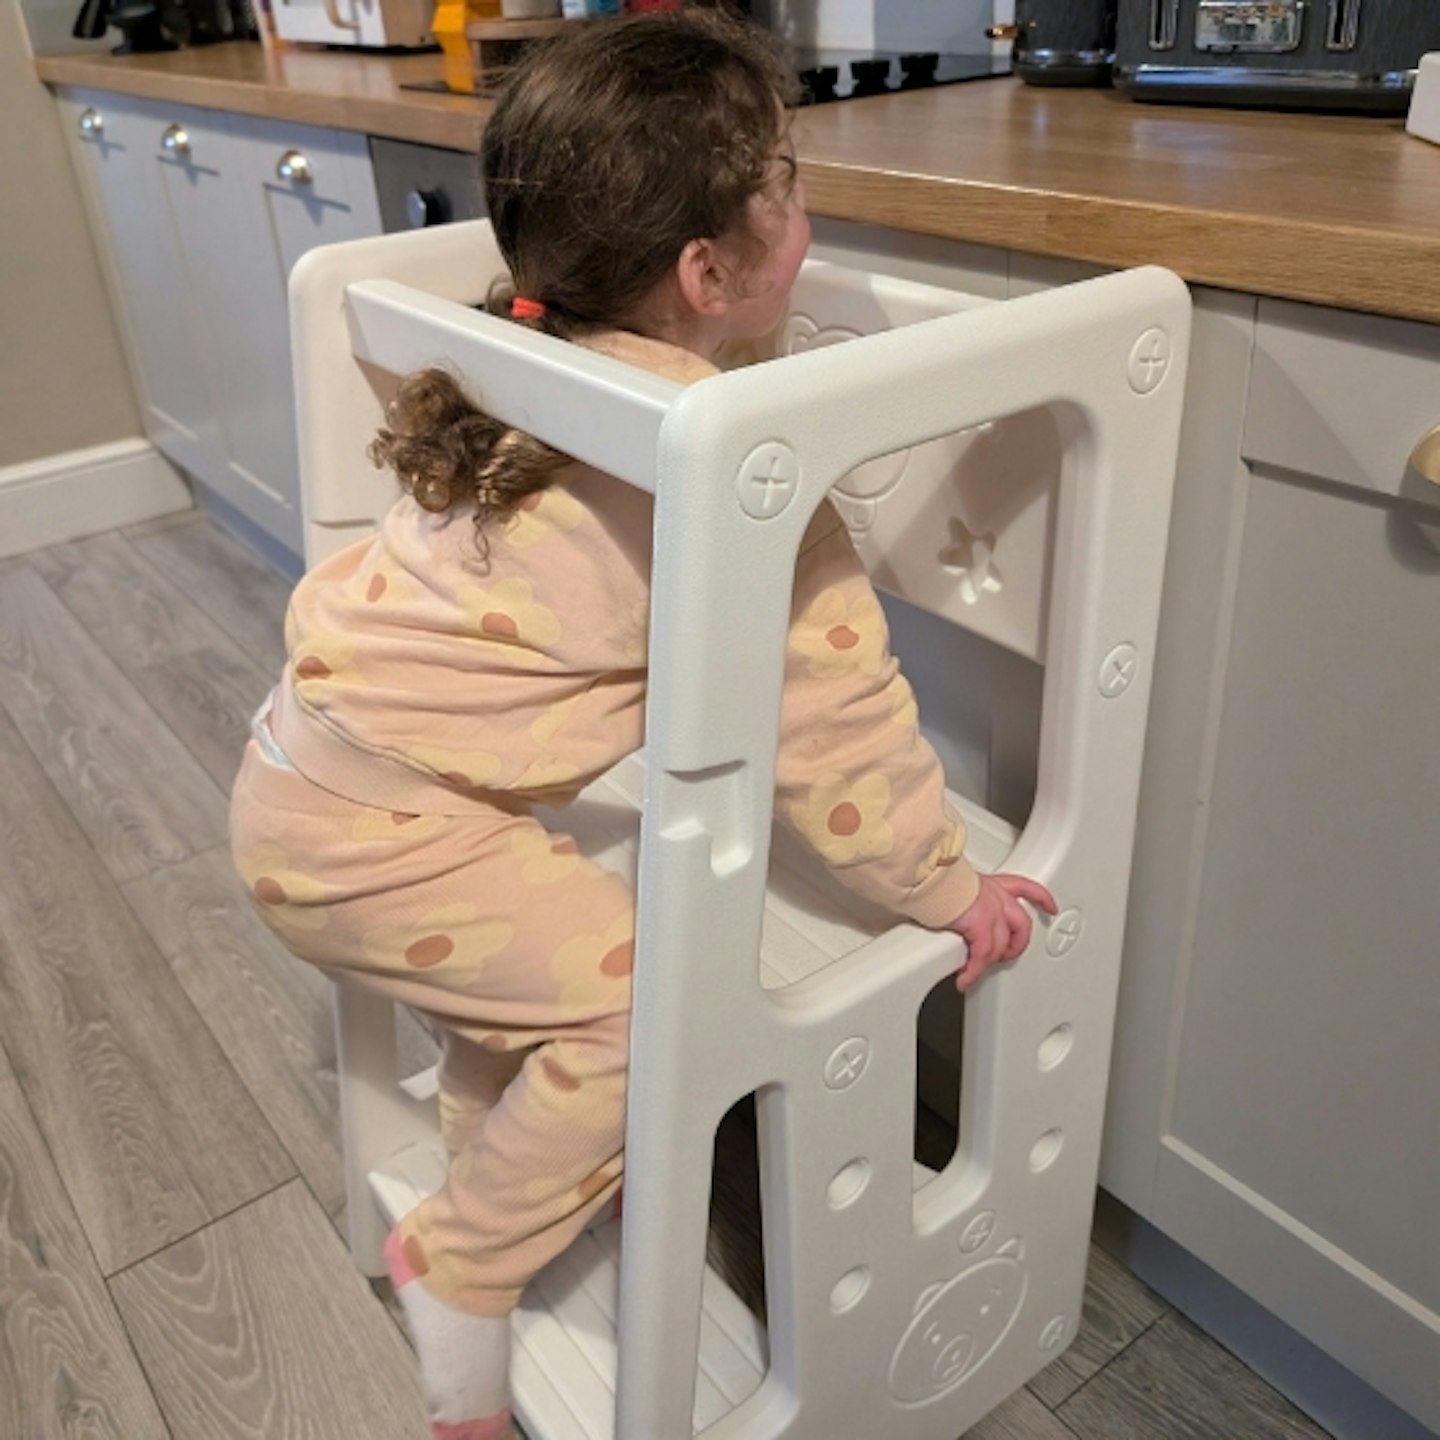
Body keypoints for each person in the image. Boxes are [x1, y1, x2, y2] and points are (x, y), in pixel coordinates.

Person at [229, 12, 1056, 1439]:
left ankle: (474, 1251)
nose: (806, 202)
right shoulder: (742, 467)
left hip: (307, 777)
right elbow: (840, 741)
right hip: (383, 836)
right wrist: (947, 885)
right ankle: (469, 1267)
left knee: (526, 1000)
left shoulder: (511, 351)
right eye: (786, 183)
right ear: (709, 272)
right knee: (631, 1009)